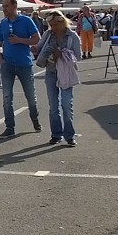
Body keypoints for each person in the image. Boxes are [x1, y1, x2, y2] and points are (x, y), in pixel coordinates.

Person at [35, 10, 82, 147]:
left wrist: (62, 54)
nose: (53, 27)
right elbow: (39, 46)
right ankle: (56, 135)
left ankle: (69, 135)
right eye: (51, 25)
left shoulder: (72, 36)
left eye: (55, 24)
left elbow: (77, 57)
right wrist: (34, 49)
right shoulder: (48, 34)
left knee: (66, 105)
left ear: (62, 22)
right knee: (53, 106)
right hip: (51, 72)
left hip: (66, 73)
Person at [0, 0, 41, 138]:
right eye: (3, 6)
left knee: (30, 97)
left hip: (24, 64)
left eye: (6, 6)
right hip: (7, 65)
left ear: (14, 6)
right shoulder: (3, 23)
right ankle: (10, 127)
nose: (4, 9)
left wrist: (19, 40)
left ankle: (35, 120)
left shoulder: (26, 21)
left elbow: (37, 39)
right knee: (7, 97)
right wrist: (0, 60)